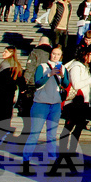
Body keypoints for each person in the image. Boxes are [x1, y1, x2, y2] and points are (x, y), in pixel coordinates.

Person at [22, 45, 70, 174]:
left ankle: (52, 164)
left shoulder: (63, 68)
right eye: (53, 53)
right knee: (34, 134)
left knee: (52, 135)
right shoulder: (42, 67)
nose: (55, 56)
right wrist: (49, 74)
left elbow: (66, 84)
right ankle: (26, 162)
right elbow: (37, 83)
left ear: (61, 56)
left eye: (58, 54)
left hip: (55, 105)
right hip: (41, 104)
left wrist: (62, 75)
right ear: (50, 54)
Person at [62, 46, 91, 152]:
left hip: (84, 102)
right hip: (75, 102)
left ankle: (72, 150)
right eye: (90, 55)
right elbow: (76, 84)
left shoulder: (84, 67)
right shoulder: (76, 66)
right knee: (69, 127)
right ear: (85, 55)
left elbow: (85, 85)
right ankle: (63, 150)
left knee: (78, 128)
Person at [0, 46, 25, 140]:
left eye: (6, 52)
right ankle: (1, 135)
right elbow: (21, 80)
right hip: (11, 94)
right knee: (6, 115)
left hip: (2, 93)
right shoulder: (17, 65)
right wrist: (23, 90)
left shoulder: (4, 65)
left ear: (11, 53)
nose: (3, 53)